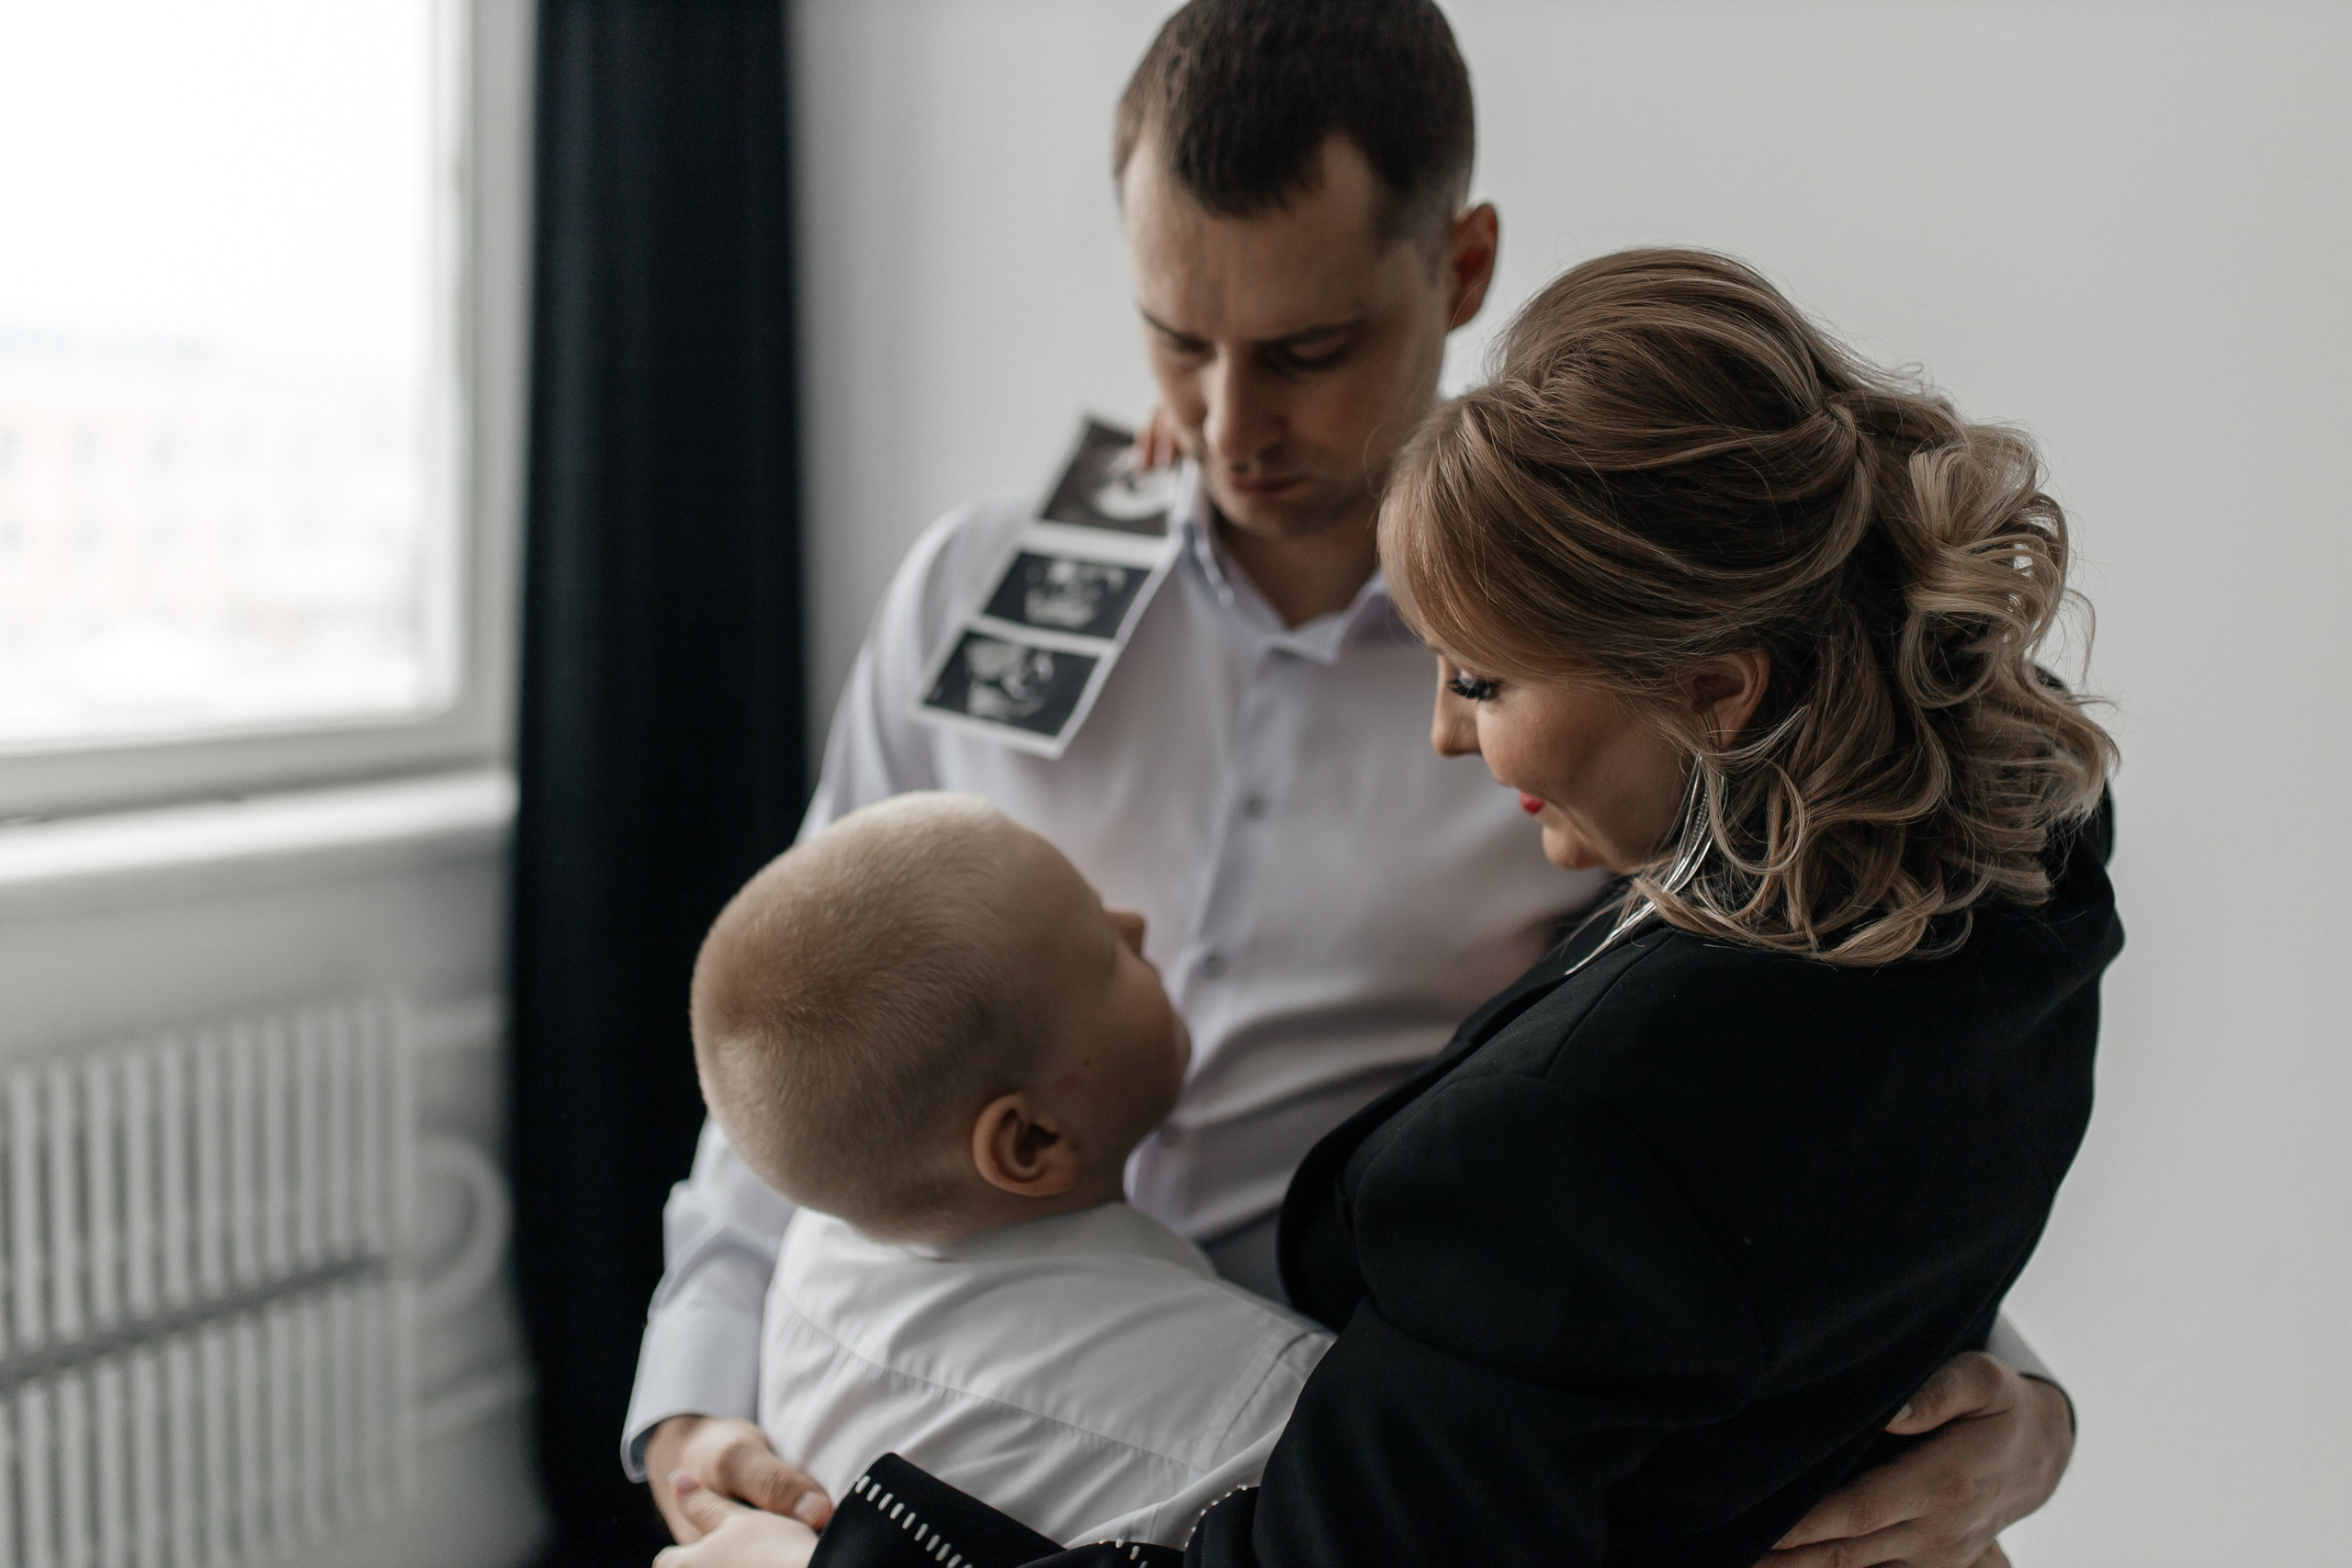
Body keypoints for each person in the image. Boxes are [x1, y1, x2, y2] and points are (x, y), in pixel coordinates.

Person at [630, 6, 2080, 1562]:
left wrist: (2007, 1384)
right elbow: (808, 1014)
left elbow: (1769, 1069)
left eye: (1308, 353)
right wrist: (697, 1393)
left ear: (1459, 270)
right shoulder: (982, 586)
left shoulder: (1592, 682)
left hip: (1346, 1461)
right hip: (952, 1430)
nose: (1226, 429)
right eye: (1177, 339)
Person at [691, 793, 1329, 1549]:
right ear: (1028, 1142)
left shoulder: (810, 1253)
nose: (1138, 923)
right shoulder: (1267, 1413)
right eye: (1104, 953)